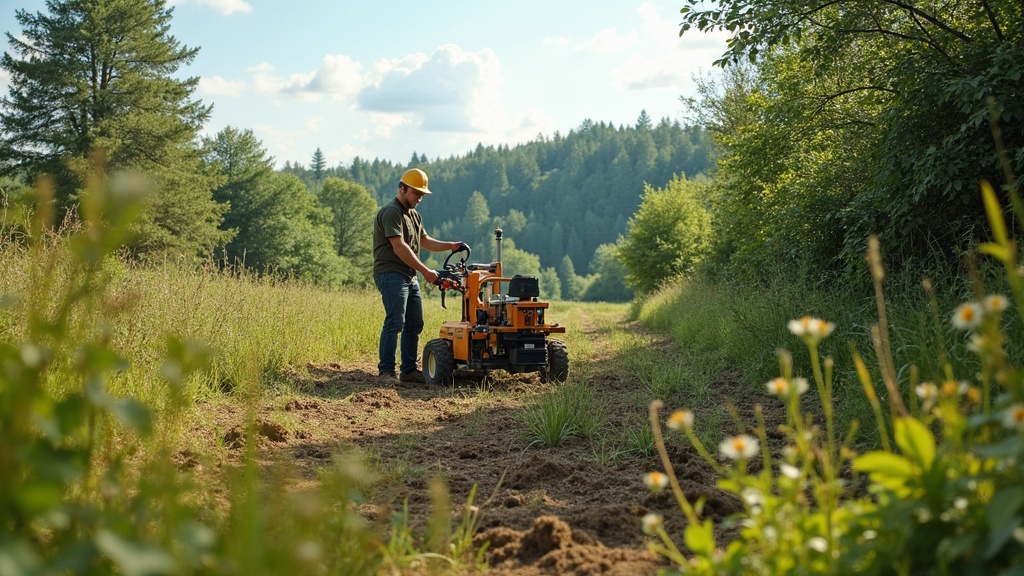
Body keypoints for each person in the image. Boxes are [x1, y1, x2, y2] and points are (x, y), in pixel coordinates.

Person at [373, 168, 468, 384]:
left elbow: (424, 241)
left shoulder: (414, 215)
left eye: (422, 194)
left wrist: (451, 245)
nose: (419, 198)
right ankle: (386, 372)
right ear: (402, 188)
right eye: (416, 193)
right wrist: (426, 271)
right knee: (395, 321)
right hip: (391, 274)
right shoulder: (391, 212)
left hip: (409, 275)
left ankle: (408, 370)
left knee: (415, 323)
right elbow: (400, 248)